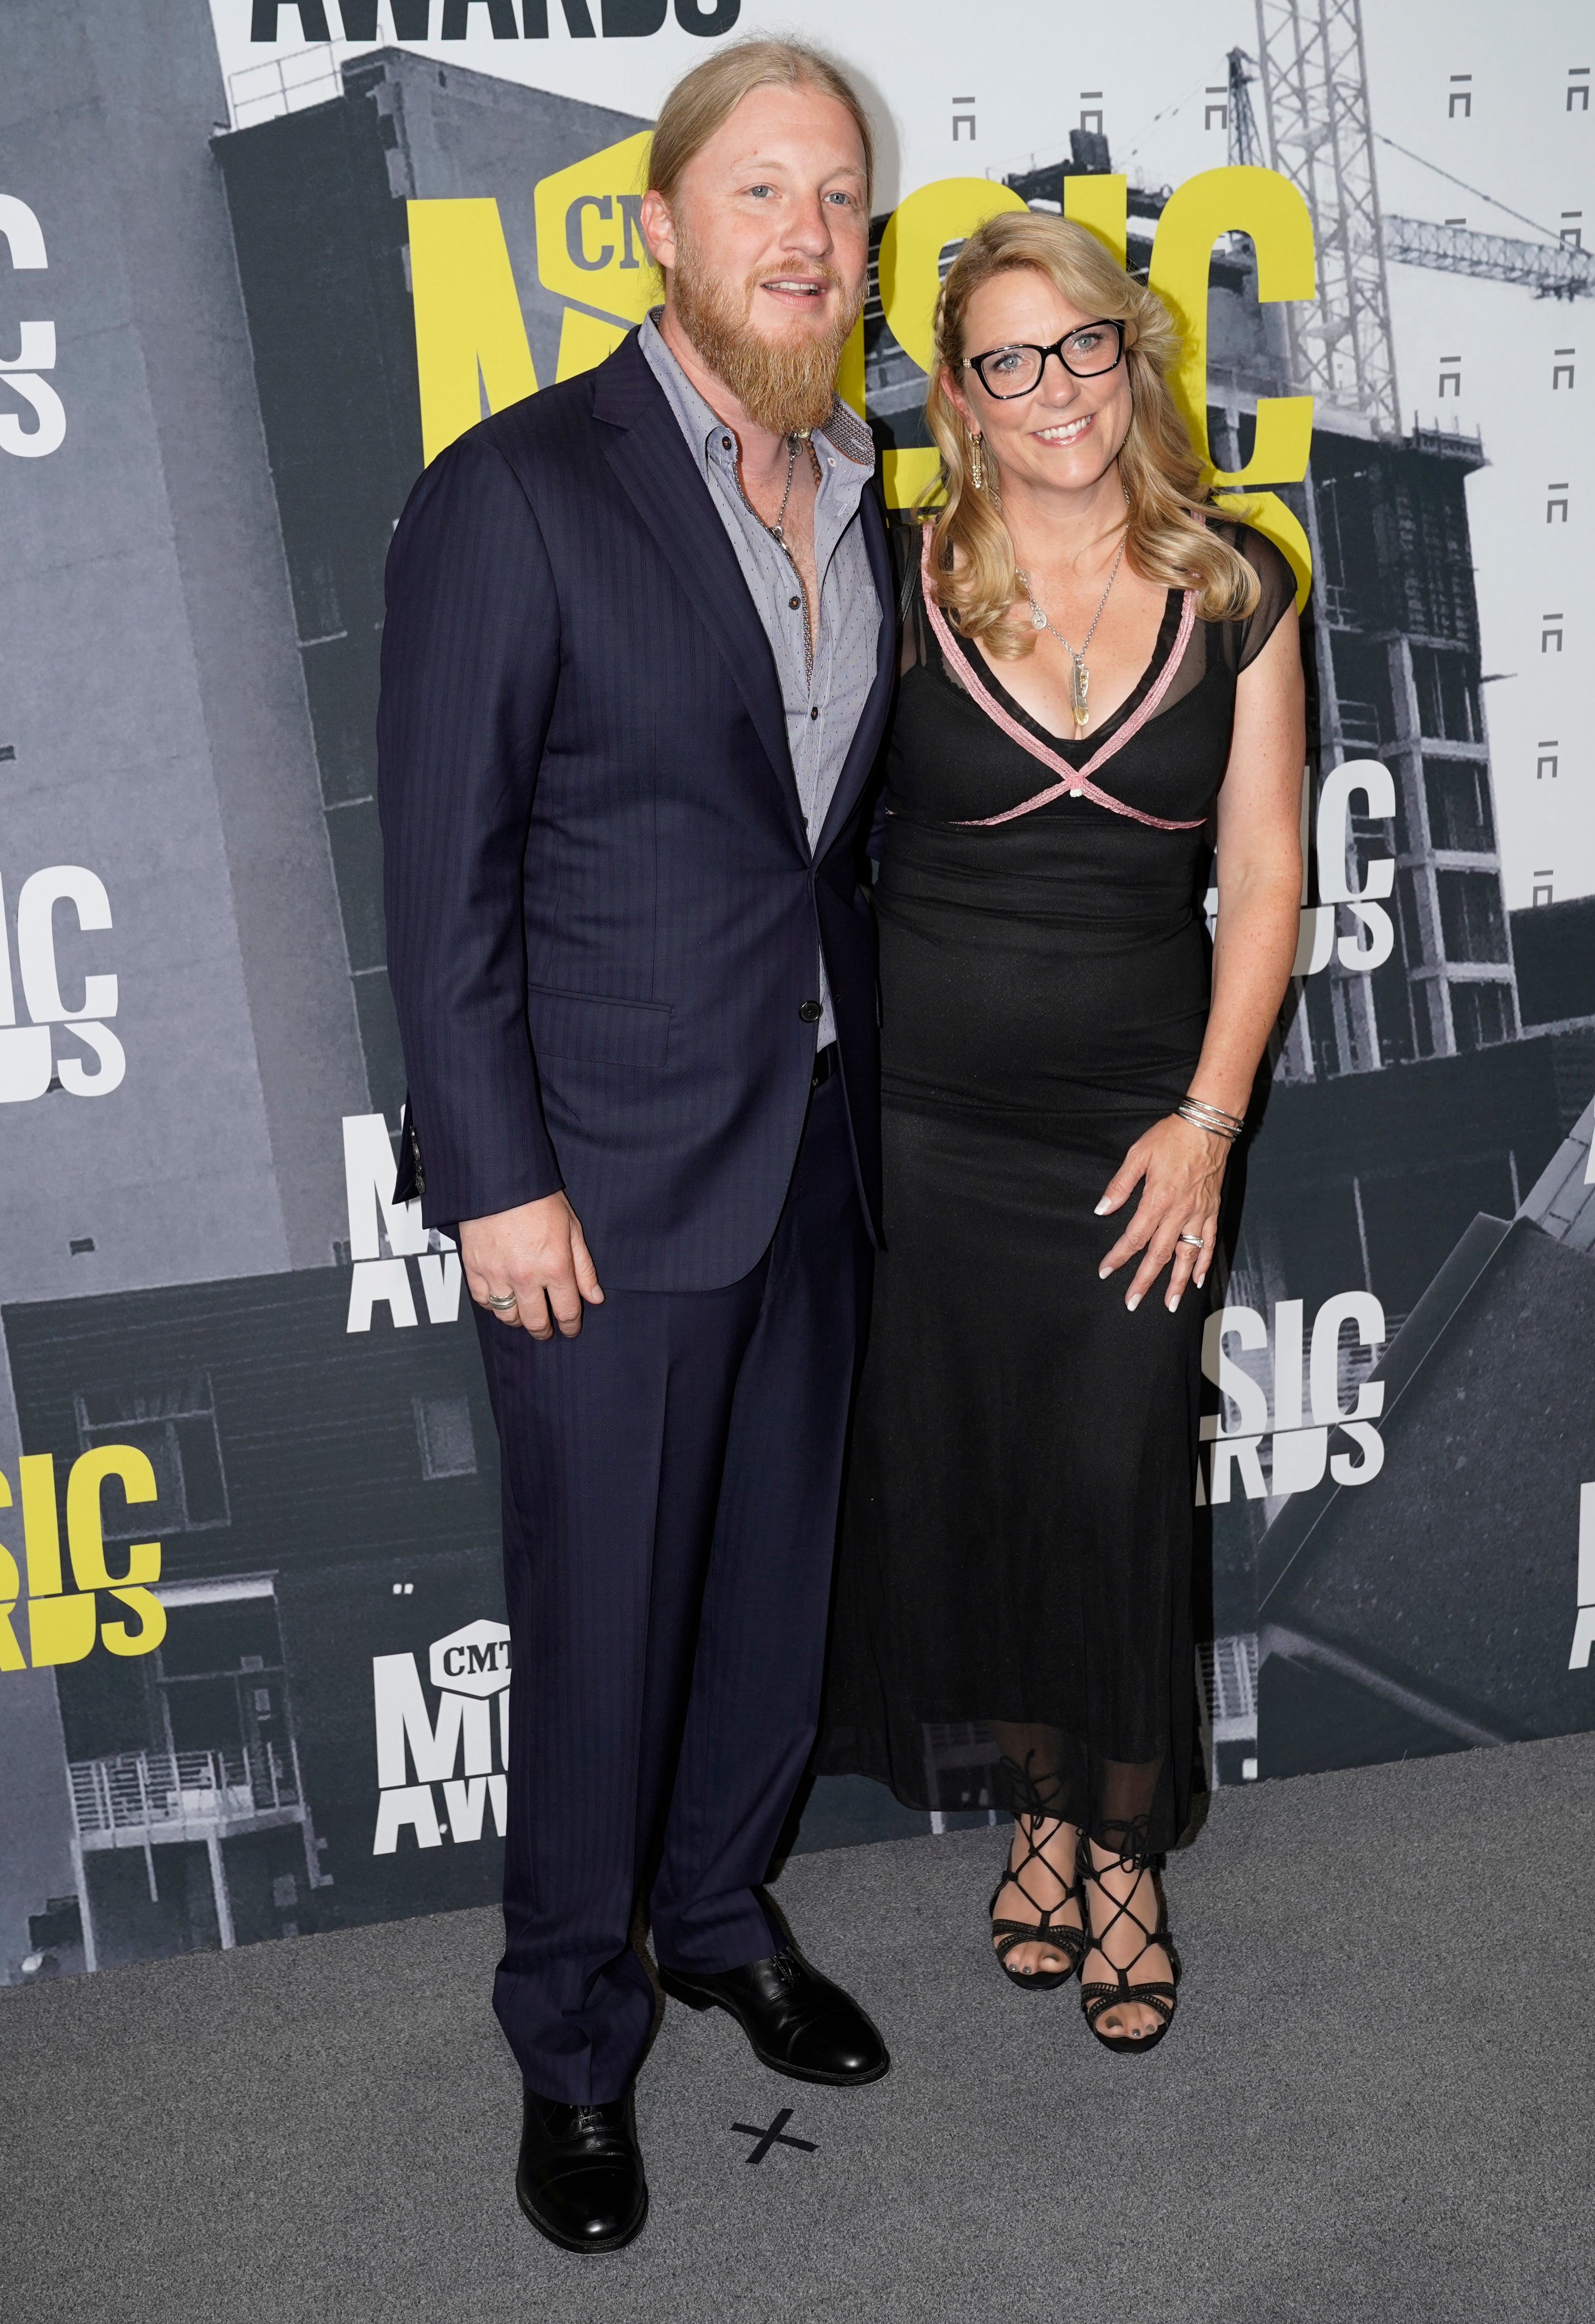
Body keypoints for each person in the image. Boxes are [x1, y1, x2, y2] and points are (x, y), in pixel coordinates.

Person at [377, 38, 895, 2253]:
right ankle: (575, 2040)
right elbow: (443, 869)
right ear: (660, 227)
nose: (809, 232)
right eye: (763, 189)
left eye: (844, 200)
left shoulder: (872, 487)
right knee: (601, 1634)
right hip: (596, 1191)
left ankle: (713, 1908)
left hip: (813, 1156)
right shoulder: (520, 489)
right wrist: (499, 1176)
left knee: (766, 1608)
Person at [821, 210, 1305, 2053]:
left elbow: (1262, 878)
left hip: (1140, 1125)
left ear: (1133, 352)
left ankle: (1126, 1855)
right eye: (1007, 361)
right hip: (927, 1124)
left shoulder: (1242, 583)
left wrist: (1208, 1120)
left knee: (1110, 1485)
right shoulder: (890, 572)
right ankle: (1038, 1812)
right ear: (959, 392)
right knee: (983, 1485)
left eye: (1080, 347)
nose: (1052, 392)